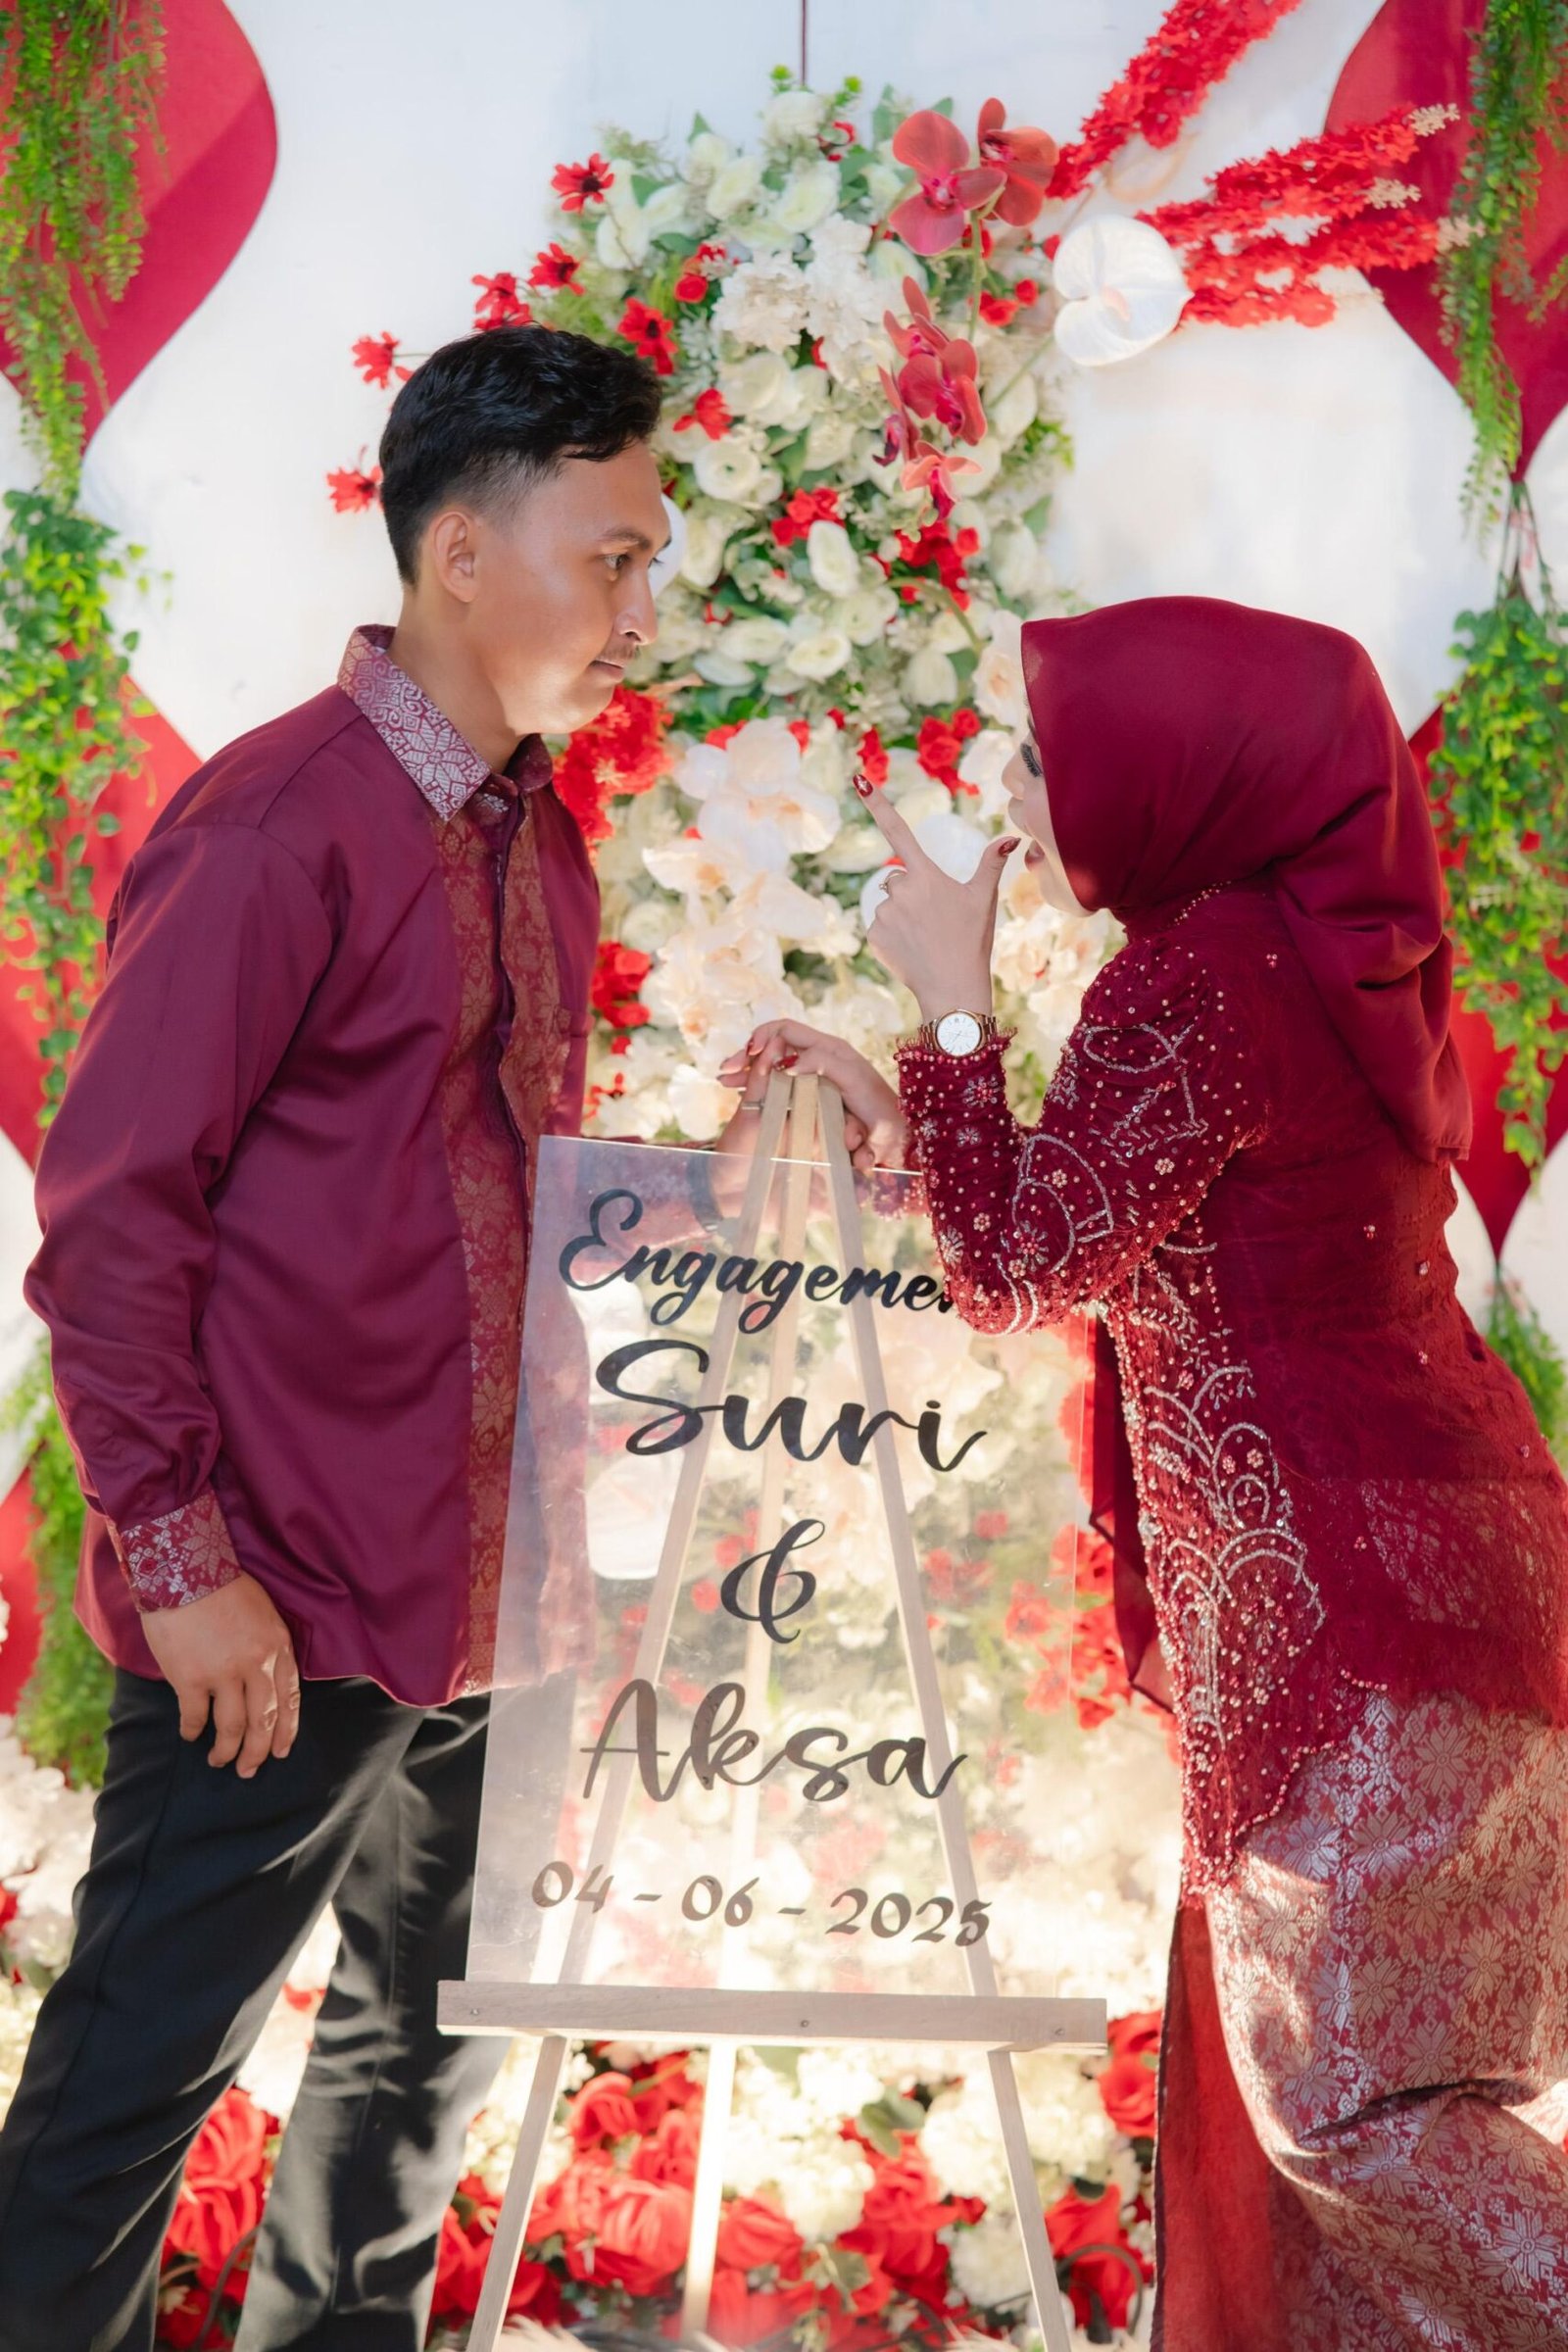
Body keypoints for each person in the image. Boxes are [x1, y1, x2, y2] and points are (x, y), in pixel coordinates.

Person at [0, 321, 773, 2352]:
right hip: (280, 1596)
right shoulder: (277, 827)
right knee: (122, 2104)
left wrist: (720, 1176)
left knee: (414, 2082)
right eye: (614, 557)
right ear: (459, 552)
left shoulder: (536, 829)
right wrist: (184, 1566)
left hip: (497, 1589)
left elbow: (494, 1187)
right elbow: (111, 1218)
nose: (643, 608)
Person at [726, 596, 1568, 2350]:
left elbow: (1023, 1270)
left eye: (1047, 756)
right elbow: (1141, 1233)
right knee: (1375, 2117)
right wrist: (912, 1109)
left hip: (1342, 1620)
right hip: (1459, 1587)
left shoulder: (1196, 975)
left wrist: (954, 1011)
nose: (1015, 794)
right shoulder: (1324, 955)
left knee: (1348, 2117)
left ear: (1181, 769)